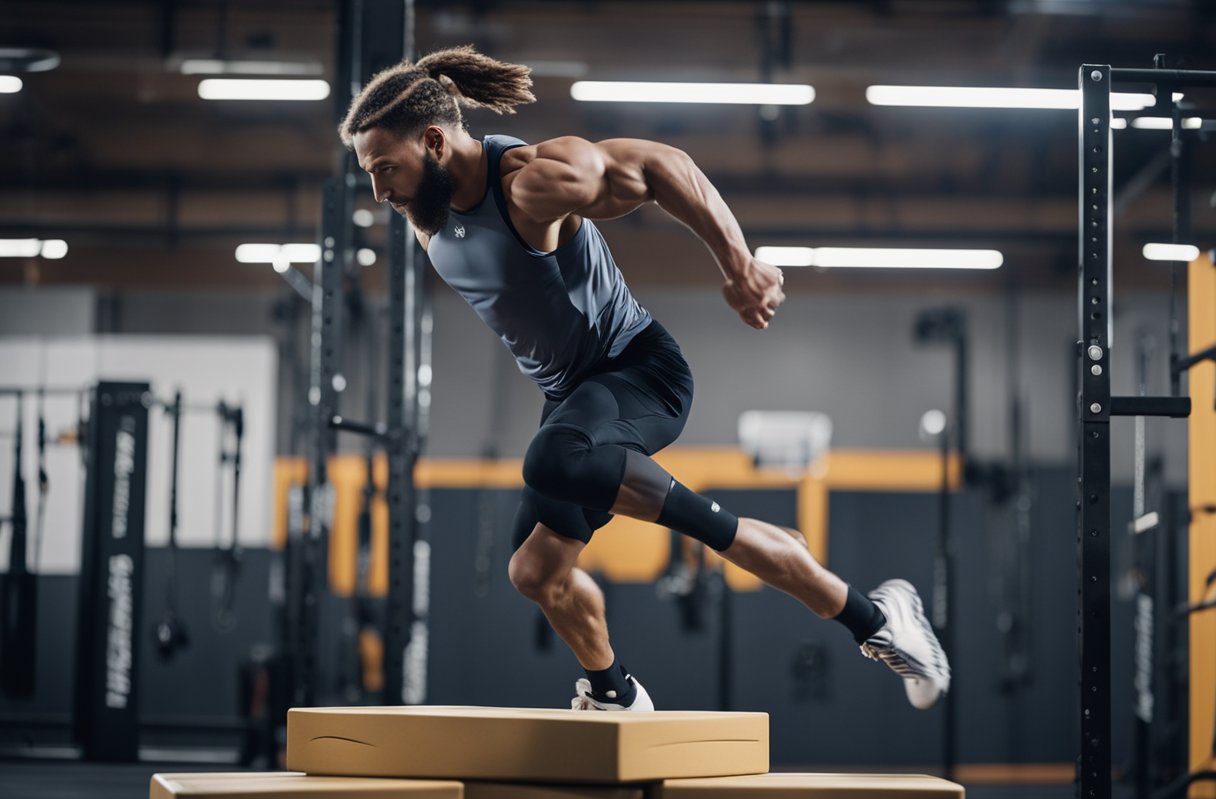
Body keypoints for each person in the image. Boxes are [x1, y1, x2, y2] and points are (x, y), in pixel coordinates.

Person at [339, 46, 950, 712]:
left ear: (433, 141)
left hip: (639, 372)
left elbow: (664, 166)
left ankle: (878, 619)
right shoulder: (428, 214)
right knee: (535, 571)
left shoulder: (529, 185)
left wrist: (739, 266)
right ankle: (615, 691)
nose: (379, 192)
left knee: (554, 458)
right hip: (575, 400)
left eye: (385, 170)